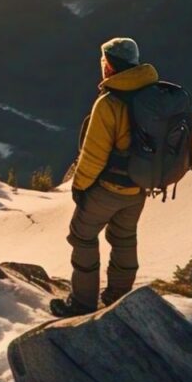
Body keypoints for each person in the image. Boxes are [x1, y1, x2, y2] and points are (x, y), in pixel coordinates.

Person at [50, 37, 158, 318]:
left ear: (111, 66)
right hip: (139, 188)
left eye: (104, 62)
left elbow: (93, 155)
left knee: (82, 237)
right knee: (124, 239)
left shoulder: (109, 103)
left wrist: (79, 187)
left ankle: (83, 304)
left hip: (109, 188)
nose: (102, 67)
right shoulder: (152, 94)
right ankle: (119, 300)